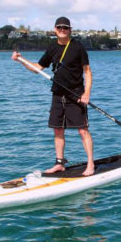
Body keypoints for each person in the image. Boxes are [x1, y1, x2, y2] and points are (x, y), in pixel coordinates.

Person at [12, 16, 95, 176]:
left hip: (76, 95)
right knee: (57, 130)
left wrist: (86, 93)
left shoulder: (78, 47)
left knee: (82, 130)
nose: (62, 30)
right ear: (55, 30)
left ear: (70, 30)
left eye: (65, 27)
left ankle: (90, 164)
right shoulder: (52, 48)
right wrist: (21, 60)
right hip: (57, 94)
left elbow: (87, 72)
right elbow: (37, 68)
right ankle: (60, 163)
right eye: (59, 27)